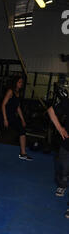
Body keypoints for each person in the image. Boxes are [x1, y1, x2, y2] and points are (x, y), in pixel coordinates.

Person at [47, 91, 69, 219]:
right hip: (67, 144)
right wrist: (60, 128)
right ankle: (62, 184)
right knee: (63, 169)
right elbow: (51, 110)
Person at [1, 75, 33, 160]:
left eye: (22, 82)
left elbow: (18, 107)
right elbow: (3, 105)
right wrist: (5, 119)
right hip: (4, 116)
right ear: (15, 83)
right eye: (19, 82)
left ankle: (23, 153)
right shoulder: (10, 91)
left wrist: (22, 120)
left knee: (22, 130)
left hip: (12, 116)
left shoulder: (18, 93)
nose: (21, 84)